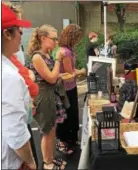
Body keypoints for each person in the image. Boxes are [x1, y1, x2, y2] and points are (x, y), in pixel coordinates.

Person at [2, 1, 39, 168]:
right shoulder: (9, 77)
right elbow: (16, 134)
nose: (21, 32)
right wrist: (30, 160)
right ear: (7, 34)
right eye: (18, 28)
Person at [28, 25, 67, 169]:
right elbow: (50, 78)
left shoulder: (47, 55)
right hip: (43, 97)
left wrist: (59, 75)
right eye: (54, 39)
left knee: (52, 129)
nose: (56, 42)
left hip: (51, 95)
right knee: (46, 131)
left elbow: (52, 76)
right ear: (43, 38)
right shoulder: (37, 57)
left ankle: (51, 158)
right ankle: (47, 163)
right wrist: (58, 60)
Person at [55, 24, 86, 154]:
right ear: (72, 37)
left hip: (70, 87)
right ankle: (63, 141)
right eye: (77, 38)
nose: (79, 40)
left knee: (72, 114)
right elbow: (69, 73)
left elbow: (72, 71)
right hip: (65, 89)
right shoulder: (66, 52)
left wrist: (79, 71)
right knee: (67, 115)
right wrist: (82, 71)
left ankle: (71, 140)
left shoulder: (68, 49)